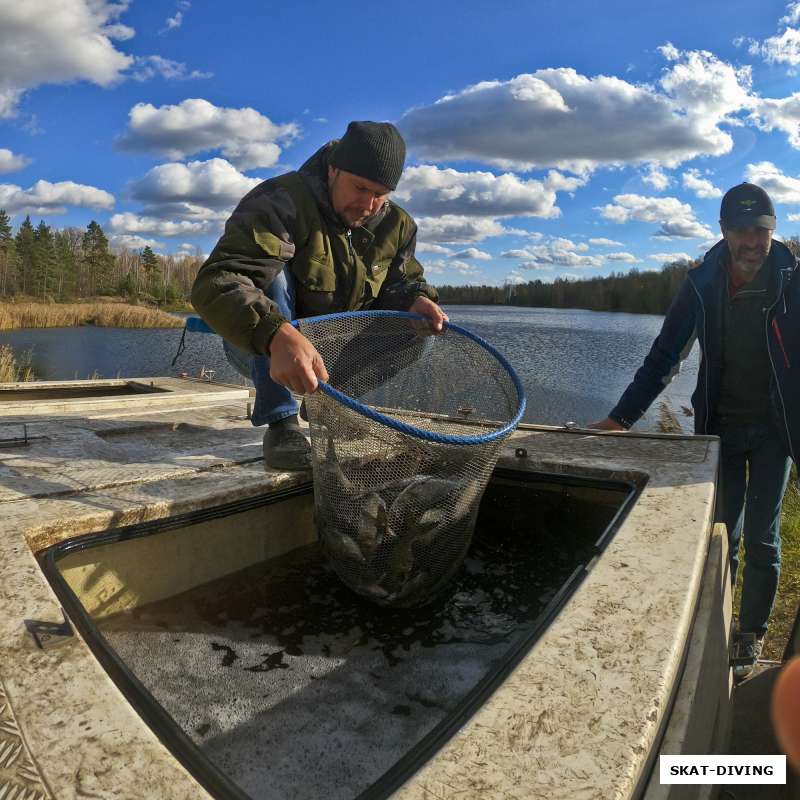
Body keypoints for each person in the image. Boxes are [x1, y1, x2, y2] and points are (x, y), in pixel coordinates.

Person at [590, 182, 799, 680]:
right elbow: (666, 355)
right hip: (718, 428)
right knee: (723, 533)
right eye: (742, 231)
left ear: (774, 231)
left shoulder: (792, 281)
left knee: (765, 540)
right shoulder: (701, 283)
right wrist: (621, 418)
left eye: (762, 231)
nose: (753, 242)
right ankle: (716, 621)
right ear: (724, 231)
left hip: (776, 430)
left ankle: (750, 634)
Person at [191, 121, 447, 470]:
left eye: (381, 194)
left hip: (329, 352)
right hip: (259, 343)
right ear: (333, 169)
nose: (369, 204)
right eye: (360, 188)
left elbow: (402, 284)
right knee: (272, 276)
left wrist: (416, 300)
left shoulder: (398, 225)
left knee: (417, 331)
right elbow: (218, 281)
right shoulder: (281, 200)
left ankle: (327, 406)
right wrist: (275, 333)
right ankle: (281, 423)